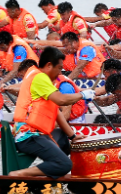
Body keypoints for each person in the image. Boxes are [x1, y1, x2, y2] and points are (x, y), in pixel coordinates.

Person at [9, 47, 92, 179]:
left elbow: (56, 112)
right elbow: (62, 100)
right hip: (28, 136)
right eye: (59, 68)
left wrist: (73, 136)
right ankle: (20, 174)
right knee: (65, 165)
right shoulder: (40, 78)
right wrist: (82, 95)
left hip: (34, 133)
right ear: (48, 65)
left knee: (64, 141)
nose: (60, 73)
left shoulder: (39, 76)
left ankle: (54, 172)